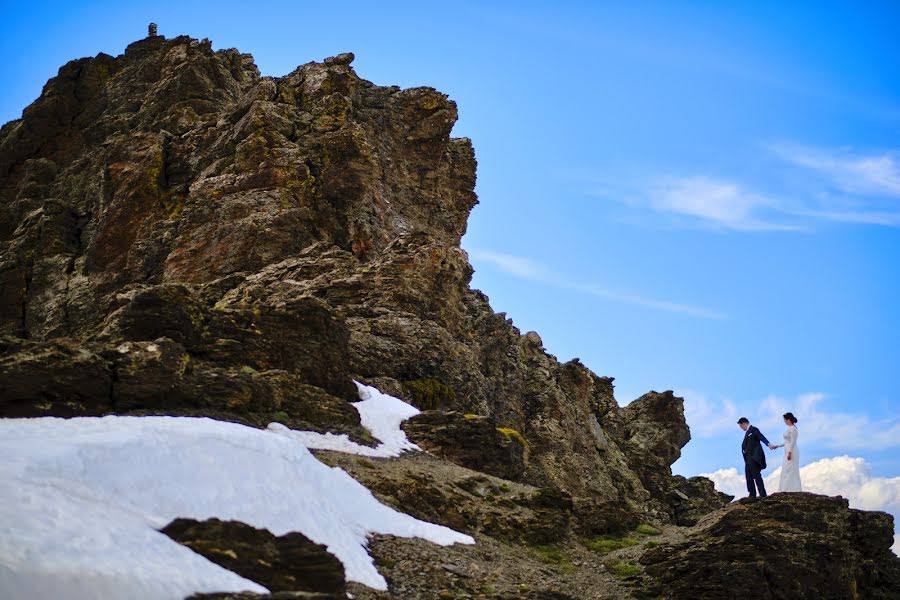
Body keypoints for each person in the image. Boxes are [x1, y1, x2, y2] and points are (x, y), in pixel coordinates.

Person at [737, 417, 771, 497]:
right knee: (748, 476)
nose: (741, 428)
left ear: (744, 423)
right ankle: (752, 494)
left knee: (757, 476)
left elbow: (761, 437)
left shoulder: (753, 430)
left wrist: (768, 444)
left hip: (754, 458)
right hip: (748, 459)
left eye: (741, 426)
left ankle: (763, 494)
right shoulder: (747, 432)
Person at [769, 412, 802, 492]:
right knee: (786, 469)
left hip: (791, 451)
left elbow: (793, 442)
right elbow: (787, 442)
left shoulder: (793, 429)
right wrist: (778, 445)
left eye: (785, 420)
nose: (784, 421)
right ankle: (786, 488)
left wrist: (790, 452)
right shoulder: (790, 428)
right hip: (787, 450)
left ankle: (792, 488)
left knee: (790, 469)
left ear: (788, 419)